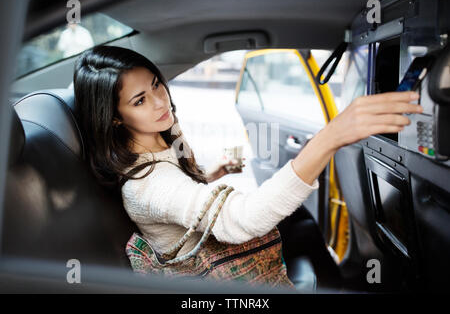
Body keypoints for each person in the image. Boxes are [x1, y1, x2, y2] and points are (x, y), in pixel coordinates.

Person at [73, 45, 422, 272]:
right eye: (139, 100)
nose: (160, 101)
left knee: (302, 222)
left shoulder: (162, 140)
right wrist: (330, 137)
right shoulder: (145, 185)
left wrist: (212, 174)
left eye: (156, 85)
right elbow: (239, 220)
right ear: (114, 116)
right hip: (218, 270)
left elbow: (180, 192)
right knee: (299, 224)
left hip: (217, 246)